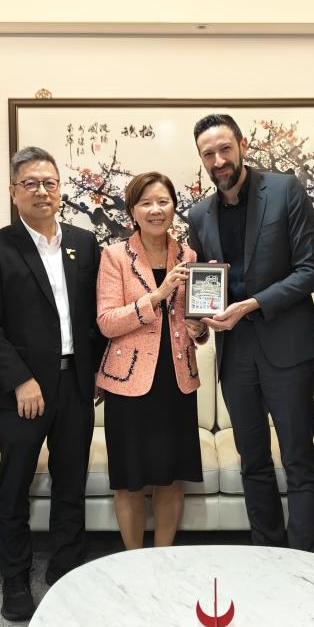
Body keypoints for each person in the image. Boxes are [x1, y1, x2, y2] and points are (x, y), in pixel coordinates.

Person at [0, 146, 102, 623]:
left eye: (49, 182)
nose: (42, 191)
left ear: (60, 188)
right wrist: (21, 380)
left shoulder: (84, 244)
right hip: (23, 391)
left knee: (71, 479)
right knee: (14, 486)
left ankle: (66, 564)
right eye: (30, 183)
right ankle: (16, 576)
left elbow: (96, 317)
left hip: (76, 385)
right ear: (13, 192)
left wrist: (98, 371)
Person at [187, 113, 314, 552]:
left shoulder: (285, 190)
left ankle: (306, 561)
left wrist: (255, 303)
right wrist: (200, 320)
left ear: (241, 144)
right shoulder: (199, 214)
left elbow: (310, 270)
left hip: (288, 347)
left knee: (299, 460)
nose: (219, 159)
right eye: (208, 153)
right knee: (253, 461)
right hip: (235, 354)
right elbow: (205, 283)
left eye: (225, 148)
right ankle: (268, 552)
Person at [96, 172, 209, 549]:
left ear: (174, 207)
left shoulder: (189, 256)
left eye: (163, 201)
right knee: (130, 480)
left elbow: (195, 322)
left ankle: (163, 558)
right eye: (146, 203)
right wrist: (157, 295)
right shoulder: (114, 256)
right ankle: (133, 560)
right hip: (129, 383)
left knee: (170, 477)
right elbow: (107, 322)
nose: (156, 210)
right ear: (133, 211)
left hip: (176, 381)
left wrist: (200, 329)